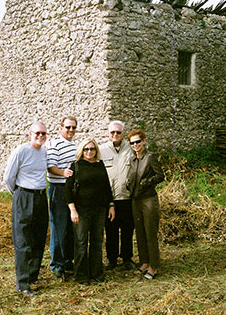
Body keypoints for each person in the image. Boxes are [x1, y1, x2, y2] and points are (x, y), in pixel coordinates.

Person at [4, 122, 49, 297]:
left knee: (38, 238)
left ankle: (32, 277)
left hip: (40, 197)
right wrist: (19, 195)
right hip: (23, 196)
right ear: (30, 133)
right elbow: (8, 177)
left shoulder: (44, 152)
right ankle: (22, 284)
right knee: (23, 241)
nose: (41, 136)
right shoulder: (21, 151)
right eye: (37, 133)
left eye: (44, 133)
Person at [65, 137, 115, 285]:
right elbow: (68, 191)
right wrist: (73, 210)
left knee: (97, 241)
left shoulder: (100, 165)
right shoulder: (75, 166)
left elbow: (107, 187)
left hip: (99, 210)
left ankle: (97, 273)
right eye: (86, 149)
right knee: (81, 242)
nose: (89, 152)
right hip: (81, 210)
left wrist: (111, 206)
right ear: (81, 150)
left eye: (92, 149)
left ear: (96, 150)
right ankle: (81, 276)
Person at [127, 129, 164, 280]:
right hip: (135, 200)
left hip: (148, 199)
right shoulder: (133, 160)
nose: (135, 145)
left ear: (143, 141)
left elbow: (160, 176)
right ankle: (144, 261)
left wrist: (146, 182)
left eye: (138, 142)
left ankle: (153, 266)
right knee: (140, 233)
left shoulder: (150, 157)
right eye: (132, 143)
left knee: (150, 233)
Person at [100, 120, 134, 270]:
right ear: (108, 134)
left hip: (128, 198)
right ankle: (111, 259)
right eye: (112, 132)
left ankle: (127, 258)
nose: (115, 135)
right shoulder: (101, 150)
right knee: (111, 231)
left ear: (123, 134)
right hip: (110, 199)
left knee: (128, 230)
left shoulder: (131, 149)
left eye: (118, 132)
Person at [46, 116, 77, 279]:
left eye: (73, 127)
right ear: (61, 128)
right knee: (58, 227)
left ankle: (67, 260)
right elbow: (50, 167)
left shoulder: (74, 145)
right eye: (68, 127)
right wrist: (63, 172)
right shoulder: (54, 144)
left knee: (70, 227)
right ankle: (57, 264)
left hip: (71, 190)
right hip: (58, 189)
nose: (71, 130)